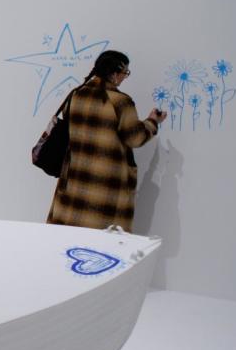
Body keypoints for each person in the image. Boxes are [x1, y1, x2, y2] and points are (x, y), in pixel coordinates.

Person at [47, 50, 166, 231]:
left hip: (75, 180)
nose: (125, 77)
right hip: (105, 186)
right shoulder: (120, 102)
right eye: (125, 72)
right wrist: (152, 122)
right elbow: (135, 138)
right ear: (114, 73)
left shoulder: (76, 95)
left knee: (70, 238)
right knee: (103, 245)